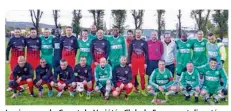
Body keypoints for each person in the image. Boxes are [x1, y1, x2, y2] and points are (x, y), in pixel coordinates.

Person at [128, 29, 148, 96]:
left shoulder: (144, 42)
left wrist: (145, 63)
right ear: (135, 33)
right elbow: (129, 53)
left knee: (142, 76)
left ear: (141, 33)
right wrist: (129, 62)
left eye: (139, 33)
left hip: (141, 61)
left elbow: (147, 53)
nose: (138, 34)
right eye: (136, 33)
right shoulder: (132, 42)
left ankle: (143, 89)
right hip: (134, 61)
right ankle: (133, 89)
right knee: (133, 75)